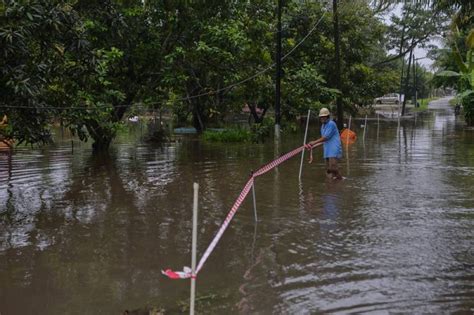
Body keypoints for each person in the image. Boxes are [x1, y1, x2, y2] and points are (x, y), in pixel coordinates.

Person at [306, 107, 343, 180]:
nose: (322, 118)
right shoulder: (322, 127)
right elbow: (323, 141)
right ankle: (331, 186)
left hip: (334, 149)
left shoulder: (331, 124)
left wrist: (313, 142)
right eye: (321, 117)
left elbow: (326, 137)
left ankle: (341, 180)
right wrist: (313, 146)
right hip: (327, 150)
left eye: (324, 117)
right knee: (329, 171)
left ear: (327, 117)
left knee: (332, 168)